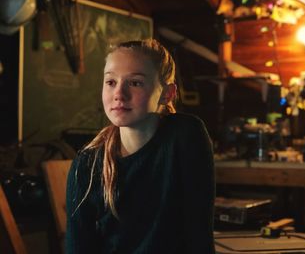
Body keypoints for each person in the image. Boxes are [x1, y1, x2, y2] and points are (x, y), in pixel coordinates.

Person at [65, 38, 215, 254]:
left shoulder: (185, 136)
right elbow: (78, 247)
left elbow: (199, 233)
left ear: (167, 93)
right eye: (111, 82)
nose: (119, 94)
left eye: (135, 82)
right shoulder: (86, 164)